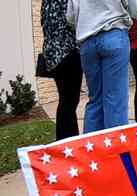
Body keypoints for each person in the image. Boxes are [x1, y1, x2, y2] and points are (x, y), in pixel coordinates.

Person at [67, 0, 137, 132]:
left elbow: (71, 17)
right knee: (115, 101)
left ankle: (92, 150)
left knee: (95, 100)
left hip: (87, 41)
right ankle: (116, 150)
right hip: (113, 33)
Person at [41, 0, 83, 140]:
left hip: (52, 55)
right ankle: (69, 143)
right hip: (68, 51)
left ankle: (62, 140)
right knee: (70, 102)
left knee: (65, 100)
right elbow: (74, 20)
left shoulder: (46, 2)